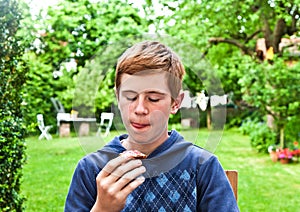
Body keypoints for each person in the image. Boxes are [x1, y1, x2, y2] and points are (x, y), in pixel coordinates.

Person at [64, 40, 239, 211]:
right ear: (118, 97)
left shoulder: (202, 166)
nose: (140, 109)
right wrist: (103, 208)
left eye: (153, 98)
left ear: (176, 103)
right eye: (130, 97)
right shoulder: (91, 169)